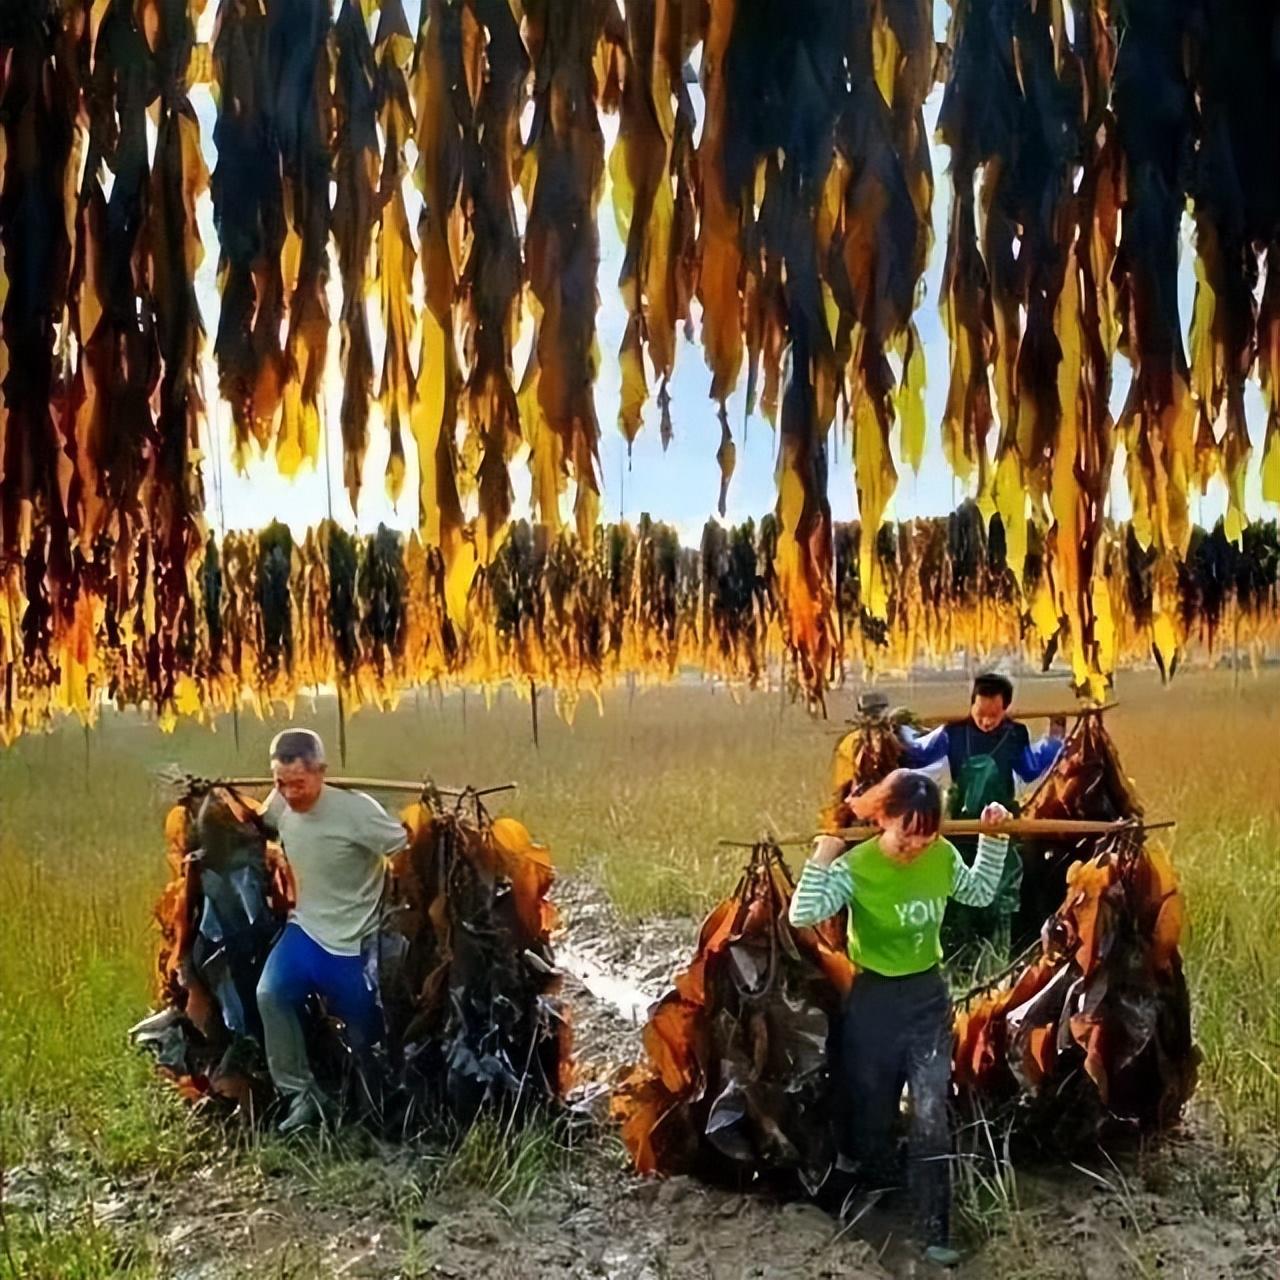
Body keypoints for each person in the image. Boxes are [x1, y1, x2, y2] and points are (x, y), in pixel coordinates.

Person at [789, 769, 1012, 1266]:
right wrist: (823, 856)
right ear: (883, 819)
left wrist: (992, 841)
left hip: (927, 998)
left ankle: (936, 1227)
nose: (916, 843)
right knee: (874, 1110)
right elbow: (801, 915)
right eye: (906, 830)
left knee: (932, 1111)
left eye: (927, 832)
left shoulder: (941, 855)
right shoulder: (859, 866)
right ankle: (880, 1194)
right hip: (873, 1002)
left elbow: (977, 893)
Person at [254, 728, 408, 1134]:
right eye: (279, 783)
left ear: (321, 772)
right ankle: (301, 1096)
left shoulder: (357, 811)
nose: (288, 793)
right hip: (305, 931)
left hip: (354, 940)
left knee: (365, 1031)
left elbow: (405, 847)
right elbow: (260, 823)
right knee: (270, 994)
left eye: (298, 784)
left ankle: (372, 1108)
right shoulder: (280, 803)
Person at [896, 672, 1066, 967]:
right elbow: (919, 753)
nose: (987, 721)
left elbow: (1029, 768)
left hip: (1000, 823)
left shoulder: (1014, 734)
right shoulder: (953, 732)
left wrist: (1054, 739)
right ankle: (955, 959)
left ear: (1006, 709)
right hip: (961, 822)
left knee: (1002, 890)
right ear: (971, 704)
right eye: (981, 713)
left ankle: (999, 958)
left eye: (994, 714)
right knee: (956, 889)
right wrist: (900, 729)